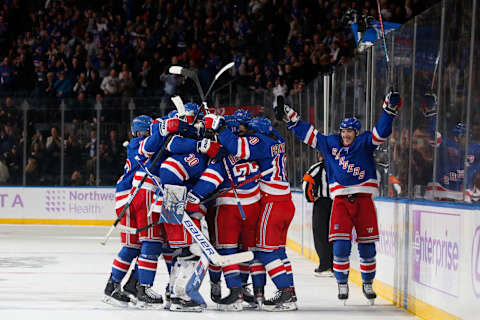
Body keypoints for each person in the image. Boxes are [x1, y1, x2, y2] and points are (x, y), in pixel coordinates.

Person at [278, 91, 402, 303]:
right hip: (341, 202)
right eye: (343, 131)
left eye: (349, 132)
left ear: (356, 132)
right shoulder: (330, 143)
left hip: (364, 201)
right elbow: (307, 133)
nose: (345, 135)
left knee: (367, 246)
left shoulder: (364, 142)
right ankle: (342, 283)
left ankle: (368, 283)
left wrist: (388, 111)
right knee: (341, 246)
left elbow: (381, 132)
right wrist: (290, 116)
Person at [205, 114, 297, 311]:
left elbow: (239, 148)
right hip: (283, 201)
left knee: (262, 251)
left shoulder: (258, 141)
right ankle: (269, 293)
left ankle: (284, 292)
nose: (245, 133)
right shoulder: (277, 139)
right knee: (276, 251)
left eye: (249, 130)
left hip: (272, 202)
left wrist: (220, 130)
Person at [103, 115, 152, 308]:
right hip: (128, 197)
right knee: (133, 246)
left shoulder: (140, 142)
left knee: (147, 246)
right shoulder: (137, 144)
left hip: (135, 196)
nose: (150, 132)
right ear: (140, 132)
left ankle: (132, 284)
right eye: (148, 130)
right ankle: (112, 286)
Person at [302, 151, 333, 277]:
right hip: (337, 203)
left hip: (321, 203)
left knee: (320, 234)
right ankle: (335, 266)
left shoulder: (317, 167)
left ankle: (325, 265)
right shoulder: (338, 166)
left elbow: (306, 183)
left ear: (320, 156)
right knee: (333, 234)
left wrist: (310, 198)